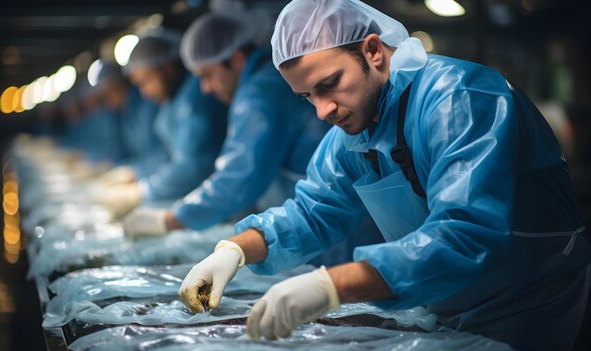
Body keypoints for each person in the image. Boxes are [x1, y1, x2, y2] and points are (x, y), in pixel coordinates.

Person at [177, 1, 591, 349]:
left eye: (330, 84)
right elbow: (311, 214)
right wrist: (232, 251)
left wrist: (330, 286)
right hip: (449, 310)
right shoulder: (356, 133)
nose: (323, 110)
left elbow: (466, 234)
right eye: (308, 97)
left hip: (542, 307)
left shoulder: (458, 97)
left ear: (374, 51)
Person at [121, 12, 330, 237]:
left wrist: (171, 219)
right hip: (317, 219)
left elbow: (239, 176)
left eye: (207, 75)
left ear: (237, 58)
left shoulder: (259, 95)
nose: (205, 89)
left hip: (327, 225)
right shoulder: (262, 81)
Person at [94, 30, 228, 219]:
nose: (144, 93)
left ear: (167, 68)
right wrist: (135, 172)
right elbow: (167, 157)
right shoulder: (170, 104)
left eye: (146, 81)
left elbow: (192, 167)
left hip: (217, 205)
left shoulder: (194, 99)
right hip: (200, 203)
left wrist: (142, 191)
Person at [91, 61, 164, 178]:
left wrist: (135, 171)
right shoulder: (123, 113)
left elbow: (161, 155)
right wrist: (109, 165)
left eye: (109, 94)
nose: (108, 102)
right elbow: (120, 150)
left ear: (121, 85)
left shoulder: (148, 106)